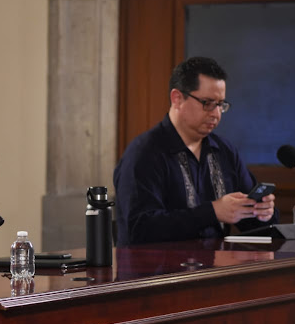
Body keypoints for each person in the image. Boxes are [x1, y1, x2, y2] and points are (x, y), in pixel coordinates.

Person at [113, 56, 278, 247]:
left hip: (214, 269)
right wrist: (212, 212)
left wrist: (263, 212)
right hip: (158, 273)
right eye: (207, 103)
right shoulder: (144, 153)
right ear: (177, 98)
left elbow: (252, 224)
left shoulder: (224, 151)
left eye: (220, 104)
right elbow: (139, 229)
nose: (216, 114)